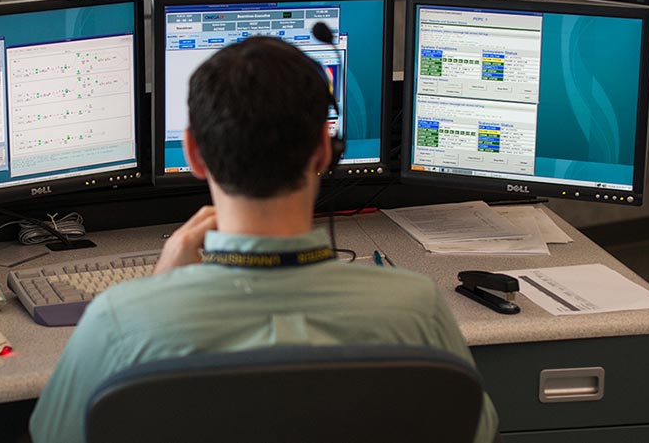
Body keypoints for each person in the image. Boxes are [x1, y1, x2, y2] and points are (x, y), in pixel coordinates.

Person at [29, 36, 497, 443]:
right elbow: (475, 429)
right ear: (322, 149)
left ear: (192, 152)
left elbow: (55, 436)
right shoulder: (416, 308)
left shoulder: (119, 322)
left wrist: (157, 291)